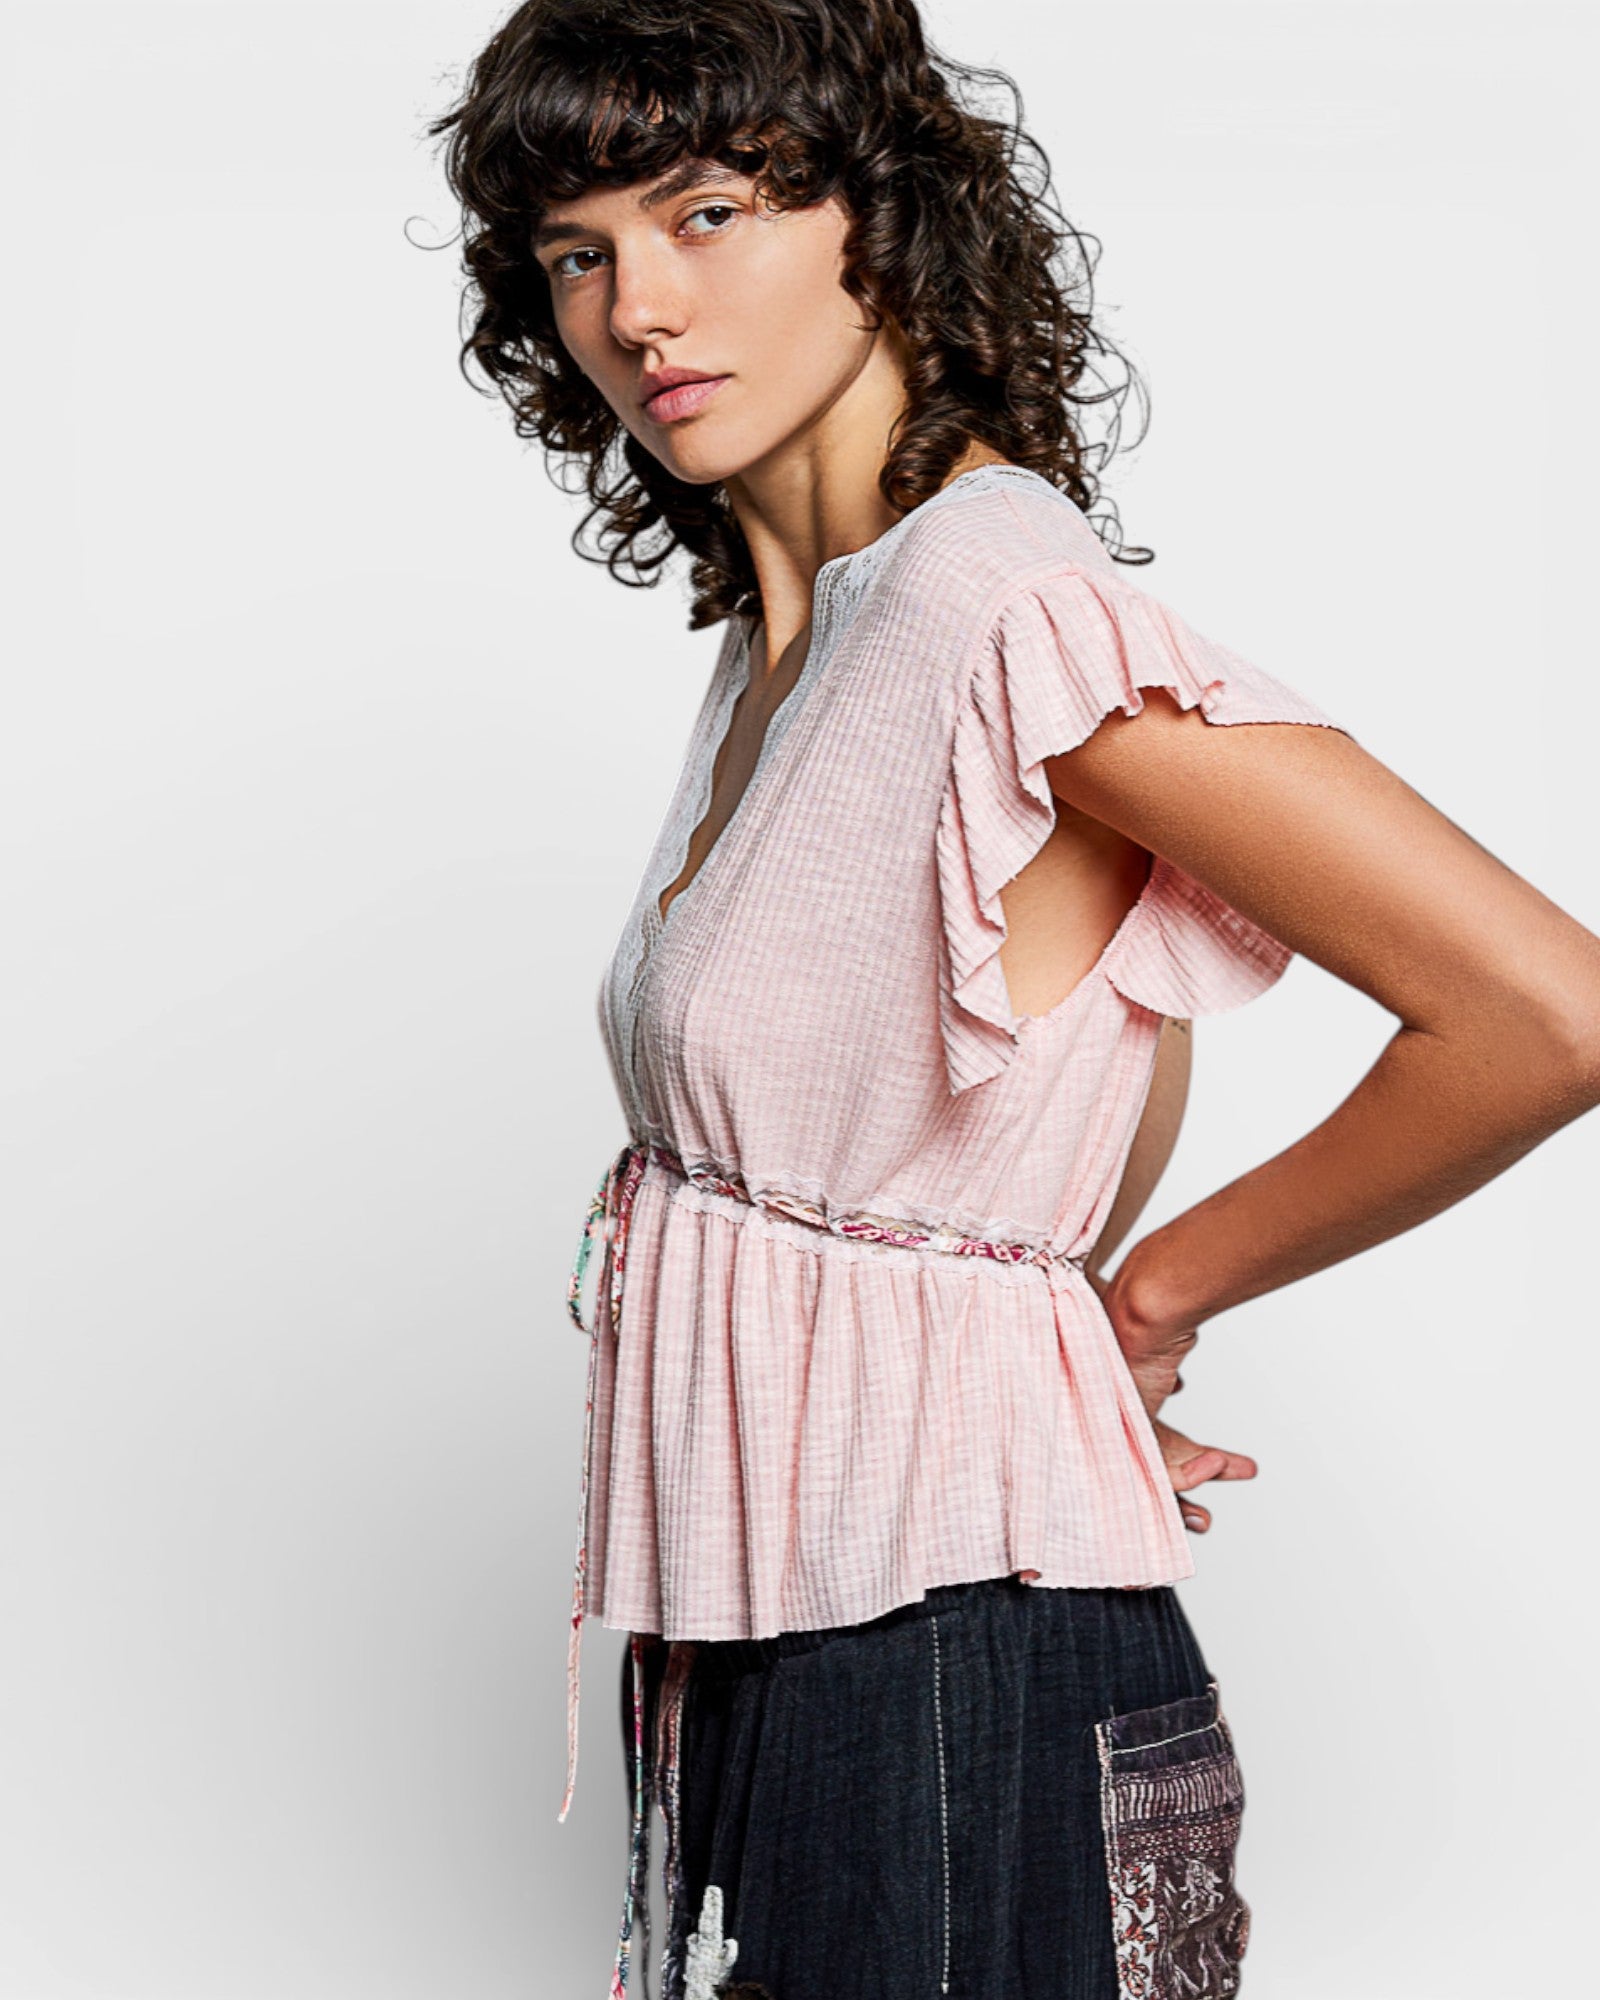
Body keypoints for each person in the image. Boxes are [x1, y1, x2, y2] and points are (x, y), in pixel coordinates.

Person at [428, 4, 1600, 1995]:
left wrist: (1148, 1302)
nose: (637, 307)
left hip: (943, 1648)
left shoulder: (999, 609)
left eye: (706, 213)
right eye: (576, 251)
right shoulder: (809, 627)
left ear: (878, 220)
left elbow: (1538, 1011)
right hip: (798, 1617)